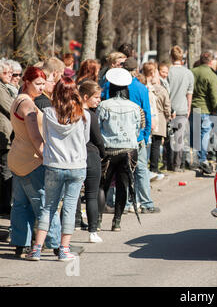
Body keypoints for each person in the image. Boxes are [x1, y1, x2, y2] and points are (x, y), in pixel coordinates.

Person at [27, 76, 90, 261]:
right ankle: (64, 249)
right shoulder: (82, 114)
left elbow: (45, 135)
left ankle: (37, 248)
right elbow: (85, 140)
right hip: (77, 165)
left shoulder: (48, 112)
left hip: (54, 164)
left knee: (48, 207)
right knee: (69, 208)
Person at [8, 66, 62, 258]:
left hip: (17, 157)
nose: (41, 88)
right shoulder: (29, 106)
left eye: (43, 84)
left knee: (21, 204)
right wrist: (48, 158)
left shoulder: (18, 99)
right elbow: (35, 138)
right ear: (27, 82)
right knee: (46, 204)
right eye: (37, 84)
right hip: (31, 161)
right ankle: (56, 244)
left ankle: (20, 243)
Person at [97, 68, 143, 232]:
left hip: (108, 150)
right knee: (123, 186)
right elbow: (137, 129)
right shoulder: (134, 107)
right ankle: (117, 221)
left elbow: (97, 127)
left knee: (103, 185)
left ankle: (98, 220)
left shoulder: (103, 105)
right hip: (129, 150)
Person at [78, 80, 104, 242]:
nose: (99, 100)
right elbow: (98, 139)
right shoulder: (91, 116)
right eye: (96, 97)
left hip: (75, 156)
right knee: (91, 195)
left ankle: (66, 228)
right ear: (86, 96)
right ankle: (93, 231)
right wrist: (103, 153)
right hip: (91, 155)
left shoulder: (71, 112)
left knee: (71, 195)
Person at [190, 51, 217, 174]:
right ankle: (202, 159)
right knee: (204, 135)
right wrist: (215, 109)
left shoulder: (192, 72)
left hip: (193, 107)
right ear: (210, 61)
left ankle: (194, 159)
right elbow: (215, 95)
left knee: (195, 135)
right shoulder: (211, 75)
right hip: (205, 109)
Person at [167, 46, 194, 172]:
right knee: (179, 139)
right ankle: (177, 165)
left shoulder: (168, 71)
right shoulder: (188, 73)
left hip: (168, 108)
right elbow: (189, 93)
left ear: (171, 56)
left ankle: (168, 163)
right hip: (182, 108)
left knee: (168, 137)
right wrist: (189, 108)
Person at [0, 60, 14, 216]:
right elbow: (10, 107)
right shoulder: (0, 88)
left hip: (5, 133)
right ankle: (4, 205)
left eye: (11, 73)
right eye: (6, 73)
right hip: (3, 135)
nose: (10, 75)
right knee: (6, 170)